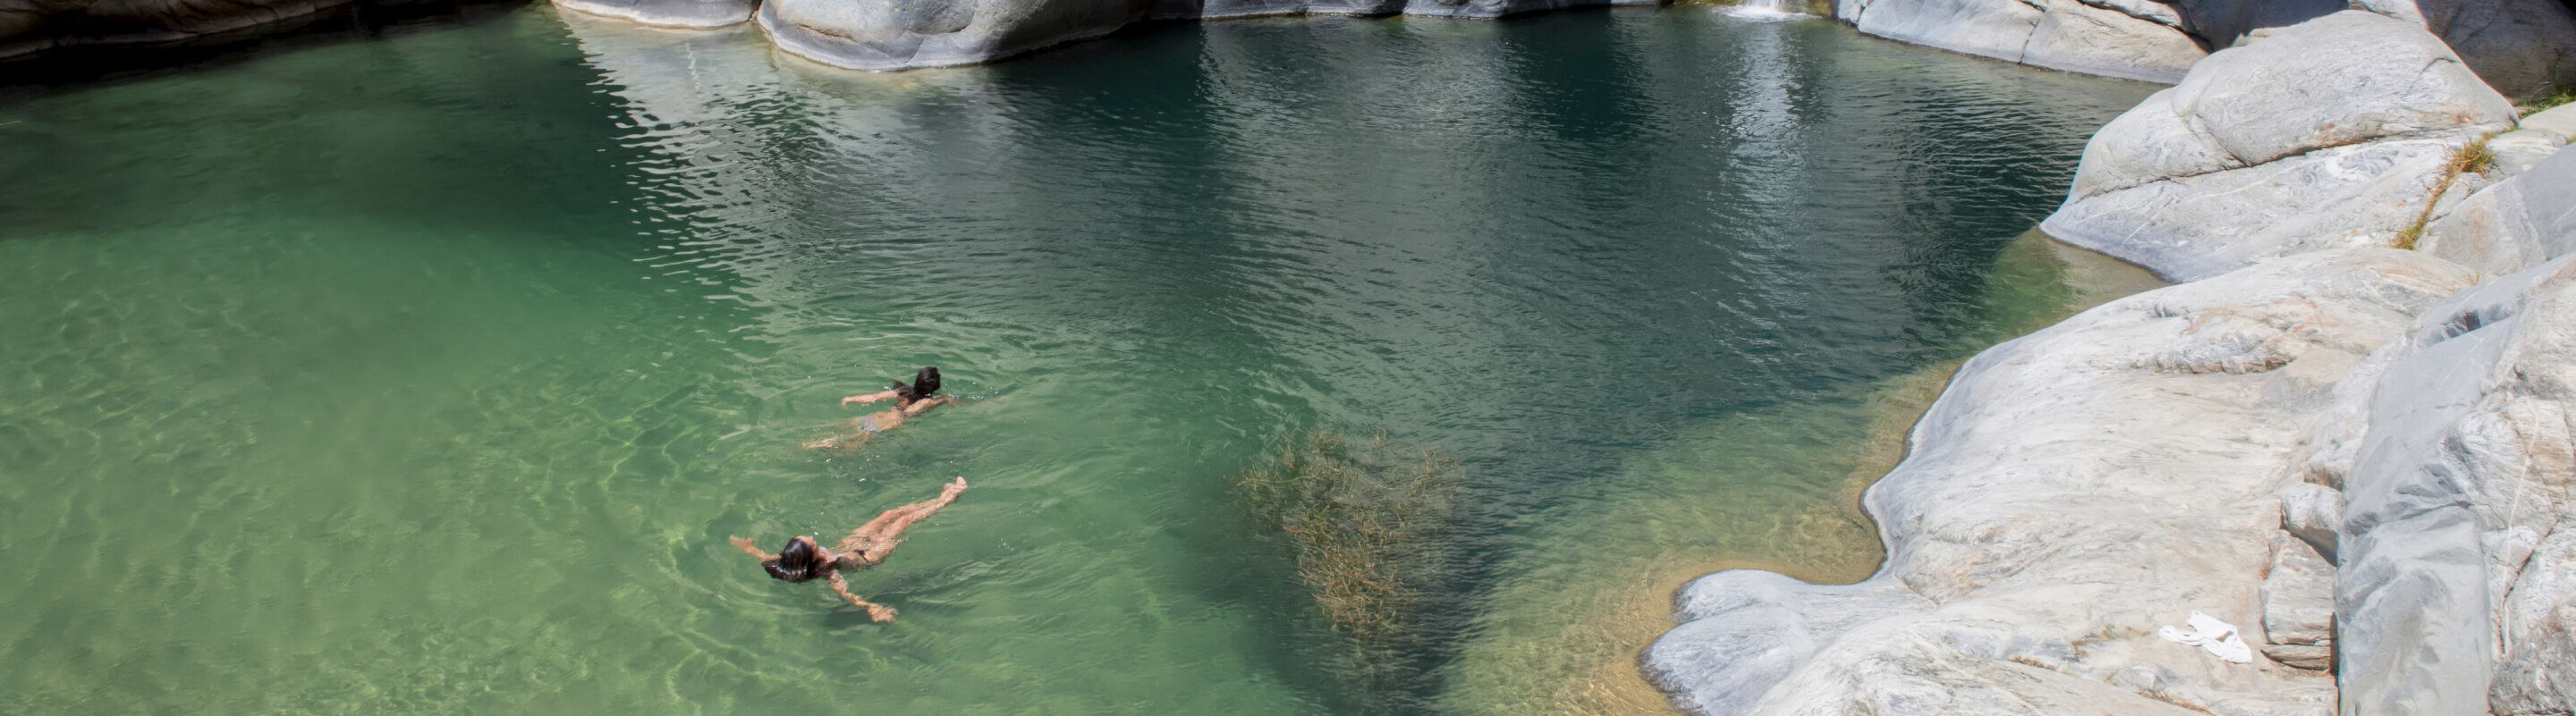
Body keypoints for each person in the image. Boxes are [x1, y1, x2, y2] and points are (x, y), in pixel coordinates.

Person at [730, 476, 969, 622]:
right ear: (811, 556)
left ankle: (941, 497)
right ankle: (950, 498)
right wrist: (873, 608)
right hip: (870, 555)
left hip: (852, 544)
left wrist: (750, 549)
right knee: (903, 522)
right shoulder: (826, 569)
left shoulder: (792, 559)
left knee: (889, 514)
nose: (813, 537)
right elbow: (846, 593)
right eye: (812, 542)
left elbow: (772, 559)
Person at [805, 366, 960, 450]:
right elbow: (950, 402)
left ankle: (819, 442)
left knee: (843, 431)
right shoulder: (929, 401)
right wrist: (949, 399)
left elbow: (876, 397)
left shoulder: (903, 391)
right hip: (888, 424)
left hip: (875, 417)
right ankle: (826, 443)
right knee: (849, 447)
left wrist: (850, 399)